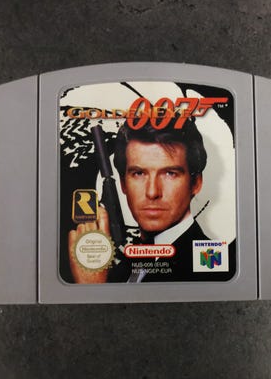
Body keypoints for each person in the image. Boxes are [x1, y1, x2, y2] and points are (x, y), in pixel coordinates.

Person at [68, 118, 234, 283]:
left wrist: (93, 288)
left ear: (196, 183)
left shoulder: (216, 269)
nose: (152, 192)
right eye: (139, 173)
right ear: (123, 184)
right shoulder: (120, 266)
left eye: (170, 173)